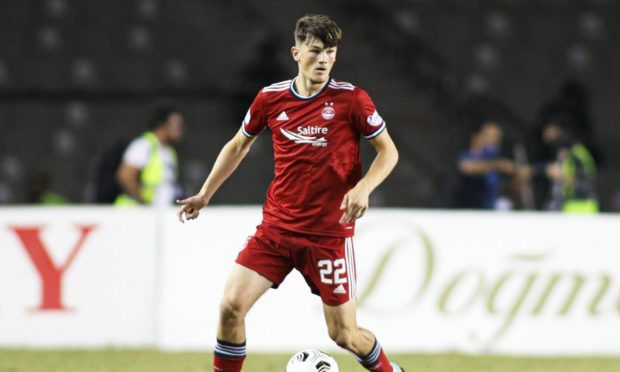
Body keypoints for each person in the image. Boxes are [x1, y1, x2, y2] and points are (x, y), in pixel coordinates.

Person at [176, 14, 403, 372]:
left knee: (345, 335)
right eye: (316, 51)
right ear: (296, 53)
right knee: (230, 307)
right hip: (277, 231)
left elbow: (388, 151)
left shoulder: (352, 101)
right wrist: (205, 193)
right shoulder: (270, 98)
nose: (324, 59)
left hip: (328, 235)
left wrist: (364, 187)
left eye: (330, 51)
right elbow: (238, 146)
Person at [115, 105, 184, 206]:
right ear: (161, 125)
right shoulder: (144, 145)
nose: (179, 129)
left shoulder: (169, 152)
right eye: (176, 124)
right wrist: (144, 202)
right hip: (135, 213)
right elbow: (125, 176)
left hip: (158, 213)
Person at [530, 121, 598, 213]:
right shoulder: (570, 153)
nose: (560, 156)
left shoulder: (578, 155)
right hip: (568, 206)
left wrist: (560, 175)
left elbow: (584, 182)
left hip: (582, 206)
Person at [455, 121, 516, 209]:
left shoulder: (495, 159)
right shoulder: (468, 156)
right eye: (490, 137)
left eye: (497, 139)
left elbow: (500, 190)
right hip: (468, 212)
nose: (493, 142)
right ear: (477, 137)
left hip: (489, 213)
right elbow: (466, 168)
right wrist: (498, 165)